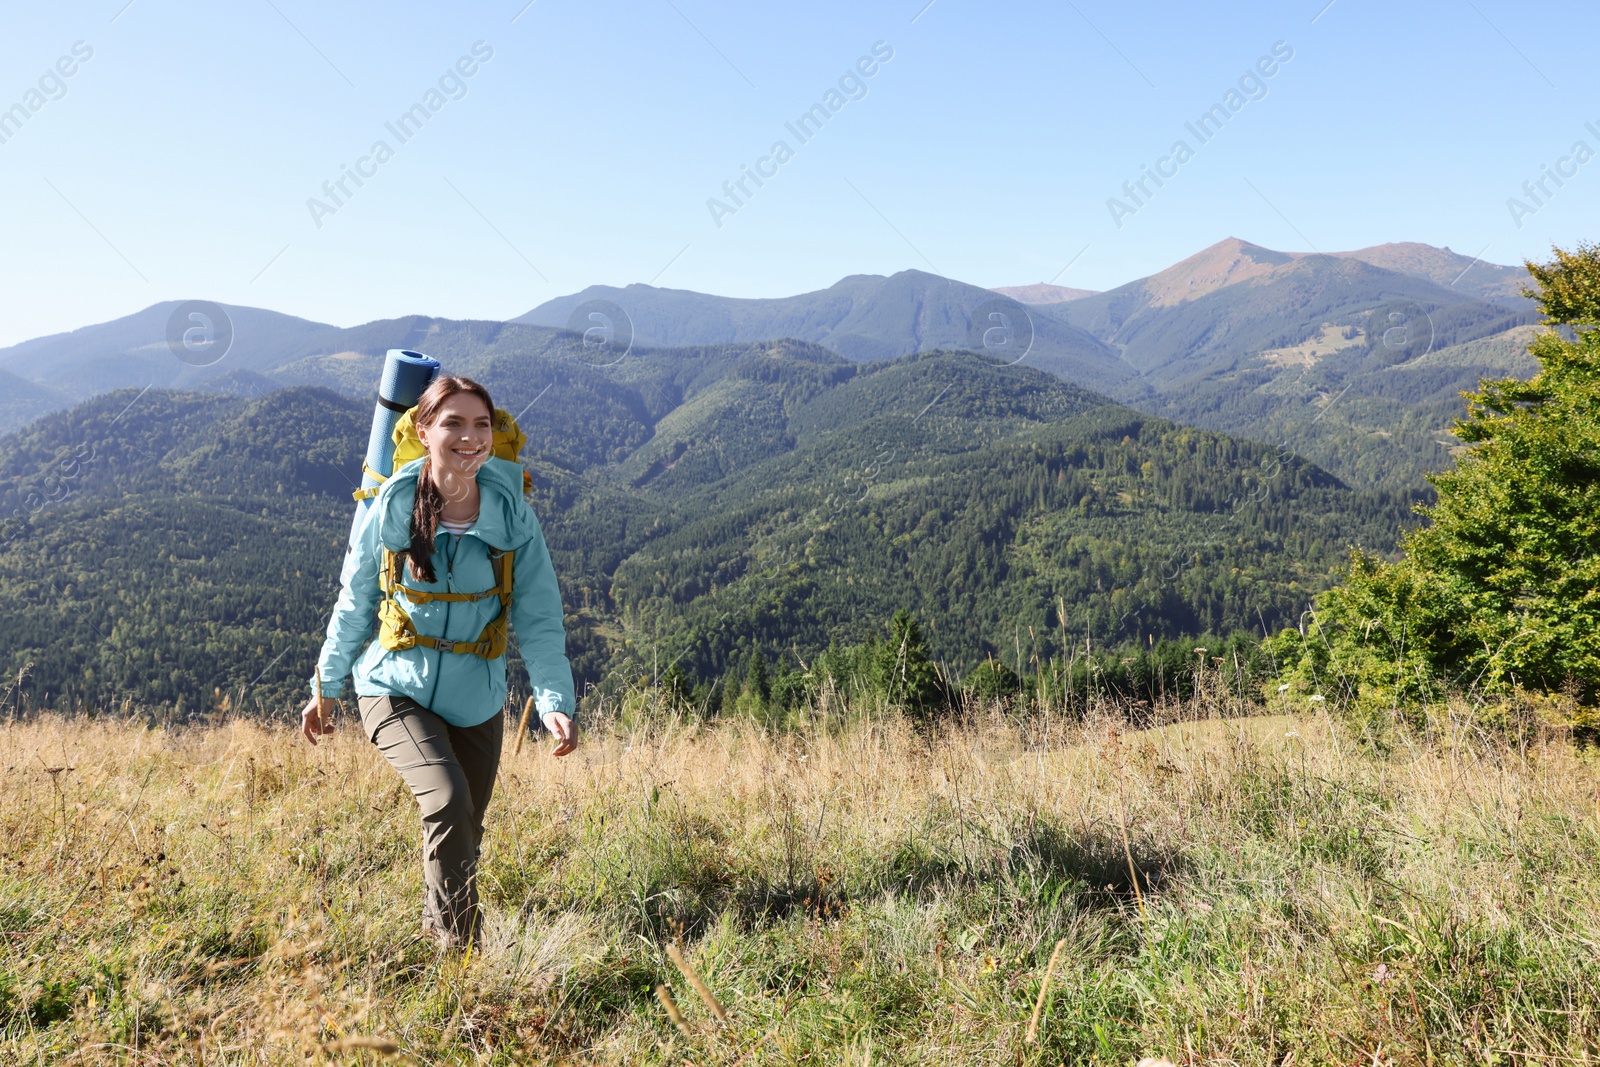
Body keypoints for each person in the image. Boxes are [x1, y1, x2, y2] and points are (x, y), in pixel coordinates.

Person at [300, 374, 577, 950]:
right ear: (424, 431)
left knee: (465, 831)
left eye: (481, 424)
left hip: (475, 696)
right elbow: (357, 601)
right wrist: (326, 684)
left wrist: (553, 700)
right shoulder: (392, 508)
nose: (470, 438)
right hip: (392, 685)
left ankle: (435, 941)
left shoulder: (513, 517)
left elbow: (540, 616)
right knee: (448, 802)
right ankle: (462, 965)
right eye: (453, 423)